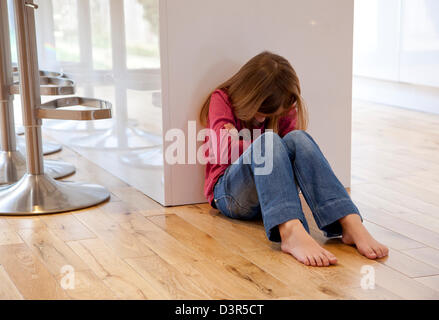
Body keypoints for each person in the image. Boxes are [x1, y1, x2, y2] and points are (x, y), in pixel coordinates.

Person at [200, 51, 388, 267]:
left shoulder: (283, 105)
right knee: (269, 142)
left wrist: (254, 143)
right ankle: (290, 231)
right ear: (248, 96)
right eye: (261, 111)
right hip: (229, 195)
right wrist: (268, 145)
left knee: (298, 138)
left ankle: (348, 221)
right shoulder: (222, 99)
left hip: (272, 196)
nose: (262, 118)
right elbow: (224, 149)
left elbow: (288, 149)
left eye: (271, 114)